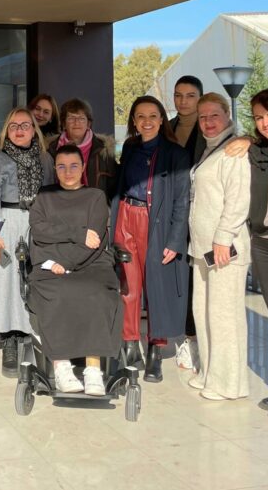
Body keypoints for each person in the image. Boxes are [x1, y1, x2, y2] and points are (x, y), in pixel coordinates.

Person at [28, 144, 121, 396]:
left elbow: (94, 242)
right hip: (50, 266)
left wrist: (66, 262)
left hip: (91, 264)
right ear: (54, 169)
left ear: (82, 168)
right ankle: (62, 366)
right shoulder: (44, 196)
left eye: (73, 166)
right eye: (61, 166)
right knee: (56, 293)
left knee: (96, 293)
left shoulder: (95, 197)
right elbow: (39, 232)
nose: (67, 172)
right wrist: (76, 234)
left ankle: (93, 369)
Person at [111, 96, 190, 383]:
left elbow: (182, 202)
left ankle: (156, 351)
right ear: (133, 120)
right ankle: (130, 345)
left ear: (161, 119)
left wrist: (175, 240)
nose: (146, 121)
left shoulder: (176, 155)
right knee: (129, 287)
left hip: (154, 225)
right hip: (126, 219)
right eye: (140, 116)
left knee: (156, 287)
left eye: (153, 115)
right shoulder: (131, 148)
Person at [0, 107, 55, 378]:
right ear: (6, 131)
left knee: (34, 278)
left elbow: (52, 192)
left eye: (25, 125)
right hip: (7, 224)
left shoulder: (46, 160)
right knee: (8, 280)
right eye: (14, 126)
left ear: (34, 128)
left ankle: (27, 334)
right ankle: (9, 338)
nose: (20, 130)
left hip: (38, 223)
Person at [186, 93, 250, 401]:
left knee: (225, 317)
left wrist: (223, 237)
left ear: (227, 115)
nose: (208, 122)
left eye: (214, 115)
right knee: (204, 312)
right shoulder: (212, 150)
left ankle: (228, 383)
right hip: (201, 248)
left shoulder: (234, 150)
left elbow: (238, 200)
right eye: (202, 117)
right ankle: (211, 372)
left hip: (225, 247)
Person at [169, 75, 205, 373]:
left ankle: (194, 339)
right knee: (175, 278)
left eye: (190, 95)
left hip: (200, 215)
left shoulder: (209, 128)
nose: (183, 101)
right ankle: (181, 337)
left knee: (195, 280)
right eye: (179, 95)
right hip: (169, 214)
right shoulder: (166, 127)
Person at [48, 98, 117, 198]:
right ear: (64, 124)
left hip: (94, 209)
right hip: (58, 207)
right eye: (71, 118)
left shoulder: (104, 150)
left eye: (81, 118)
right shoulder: (51, 149)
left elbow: (113, 188)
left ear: (88, 124)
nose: (76, 123)